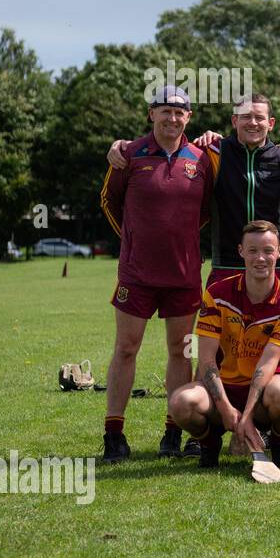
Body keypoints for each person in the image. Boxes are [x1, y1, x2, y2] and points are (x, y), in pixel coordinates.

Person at [99, 84, 214, 462]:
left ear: (189, 117)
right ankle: (114, 434)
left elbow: (208, 211)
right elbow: (109, 201)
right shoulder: (128, 154)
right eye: (164, 110)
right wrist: (133, 240)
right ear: (151, 114)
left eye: (180, 111)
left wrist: (179, 241)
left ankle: (173, 433)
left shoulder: (202, 159)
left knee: (181, 352)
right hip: (137, 274)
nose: (172, 117)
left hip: (183, 276)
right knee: (126, 348)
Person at [108, 93, 280, 288]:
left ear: (271, 123)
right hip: (226, 263)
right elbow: (170, 146)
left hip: (273, 264)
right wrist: (122, 146)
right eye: (245, 116)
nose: (252, 122)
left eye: (259, 117)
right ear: (234, 120)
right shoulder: (212, 150)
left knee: (274, 318)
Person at [170, 221, 280, 469]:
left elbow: (268, 363)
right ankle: (209, 445)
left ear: (279, 252)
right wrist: (226, 409)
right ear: (241, 251)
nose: (260, 258)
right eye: (253, 251)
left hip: (265, 392)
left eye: (267, 250)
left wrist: (249, 415)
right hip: (223, 389)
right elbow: (207, 359)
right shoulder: (217, 293)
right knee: (181, 402)